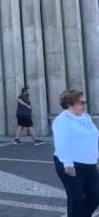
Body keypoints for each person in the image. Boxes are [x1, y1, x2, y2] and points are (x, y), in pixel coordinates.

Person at [53, 89, 99, 217]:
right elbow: (62, 144)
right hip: (70, 164)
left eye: (84, 102)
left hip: (89, 163)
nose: (84, 105)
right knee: (76, 199)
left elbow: (92, 137)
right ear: (70, 104)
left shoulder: (86, 117)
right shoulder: (62, 120)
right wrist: (68, 164)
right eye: (81, 102)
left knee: (95, 197)